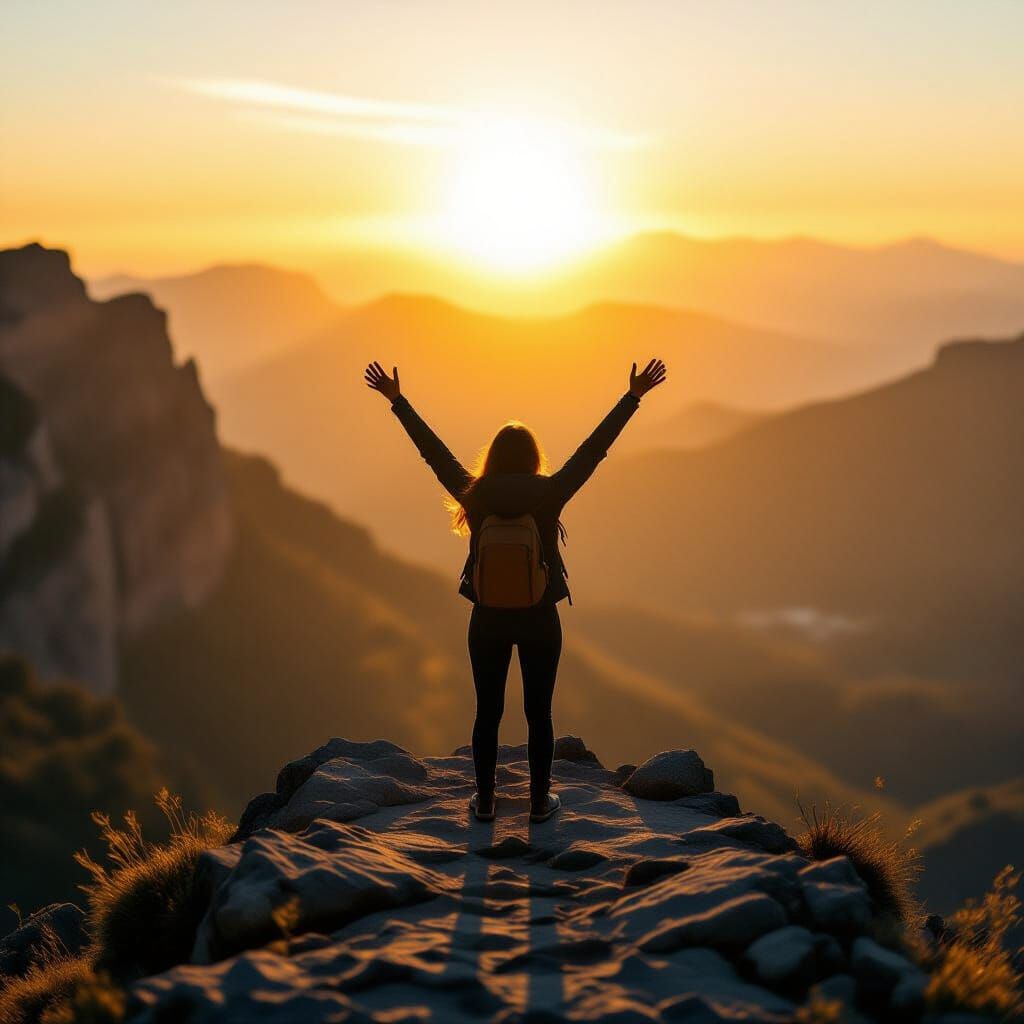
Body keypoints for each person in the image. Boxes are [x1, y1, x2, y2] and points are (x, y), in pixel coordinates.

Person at [364, 358, 667, 822]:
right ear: (532, 458)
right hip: (539, 615)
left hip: (487, 616)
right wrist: (632, 397)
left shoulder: (475, 493)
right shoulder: (549, 493)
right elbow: (592, 451)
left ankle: (485, 802)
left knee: (487, 712)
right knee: (539, 713)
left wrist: (397, 401)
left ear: (493, 458)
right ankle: (539, 803)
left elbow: (434, 453)